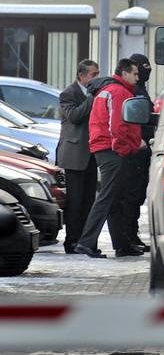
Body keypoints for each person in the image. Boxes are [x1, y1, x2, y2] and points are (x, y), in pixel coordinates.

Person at [74, 58, 146, 259]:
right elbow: (117, 125)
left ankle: (122, 245)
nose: (137, 78)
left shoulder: (108, 90)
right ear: (124, 74)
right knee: (107, 197)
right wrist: (123, 149)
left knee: (116, 198)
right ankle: (86, 242)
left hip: (106, 148)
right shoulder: (119, 92)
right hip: (112, 151)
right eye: (135, 74)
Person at [56, 59, 100, 254]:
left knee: (88, 200)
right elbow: (74, 116)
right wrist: (91, 98)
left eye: (98, 74)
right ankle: (72, 241)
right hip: (74, 155)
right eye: (93, 75)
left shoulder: (96, 93)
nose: (96, 78)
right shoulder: (69, 93)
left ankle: (85, 241)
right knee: (75, 201)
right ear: (81, 76)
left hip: (92, 152)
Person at [120, 53, 154, 252]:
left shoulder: (139, 89)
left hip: (142, 149)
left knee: (137, 195)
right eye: (143, 68)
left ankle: (132, 236)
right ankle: (128, 237)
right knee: (131, 196)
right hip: (136, 150)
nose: (145, 72)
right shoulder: (132, 91)